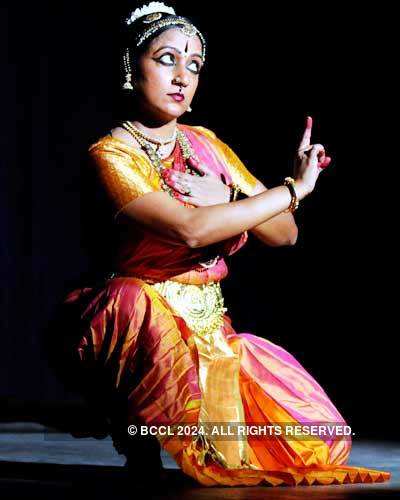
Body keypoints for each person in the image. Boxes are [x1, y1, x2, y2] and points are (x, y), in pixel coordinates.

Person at [58, 2, 391, 487]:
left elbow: (285, 233)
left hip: (209, 326)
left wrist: (234, 195)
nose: (182, 76)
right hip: (136, 322)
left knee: (314, 437)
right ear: (132, 67)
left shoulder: (206, 145)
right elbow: (189, 230)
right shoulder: (112, 154)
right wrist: (293, 190)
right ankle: (134, 430)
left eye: (193, 65)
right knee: (134, 303)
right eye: (166, 58)